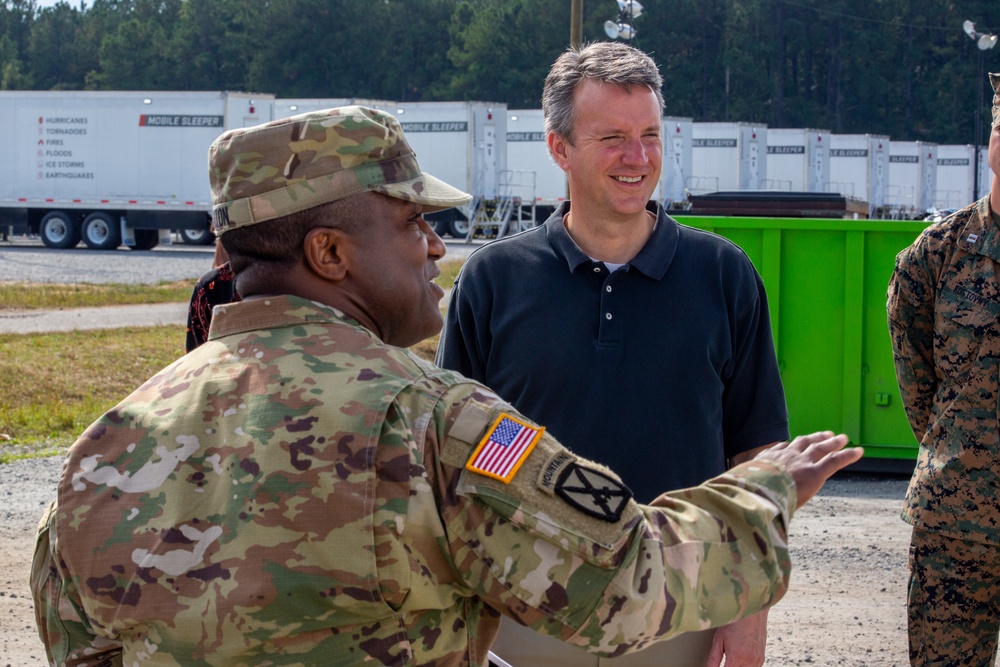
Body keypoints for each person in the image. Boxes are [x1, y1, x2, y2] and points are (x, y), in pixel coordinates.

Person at [30, 106, 861, 667]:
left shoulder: (103, 446)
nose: (434, 247)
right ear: (330, 255)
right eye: (410, 222)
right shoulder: (436, 425)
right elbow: (624, 579)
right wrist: (766, 492)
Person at [436, 42, 788, 667]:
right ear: (559, 147)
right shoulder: (492, 282)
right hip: (525, 613)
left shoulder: (724, 276)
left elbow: (756, 460)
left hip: (682, 609)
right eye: (613, 138)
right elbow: (450, 462)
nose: (638, 157)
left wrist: (749, 608)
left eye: (650, 135)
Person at [887, 71, 1000, 667]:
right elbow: (917, 379)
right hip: (956, 528)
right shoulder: (937, 255)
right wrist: (957, 454)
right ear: (991, 142)